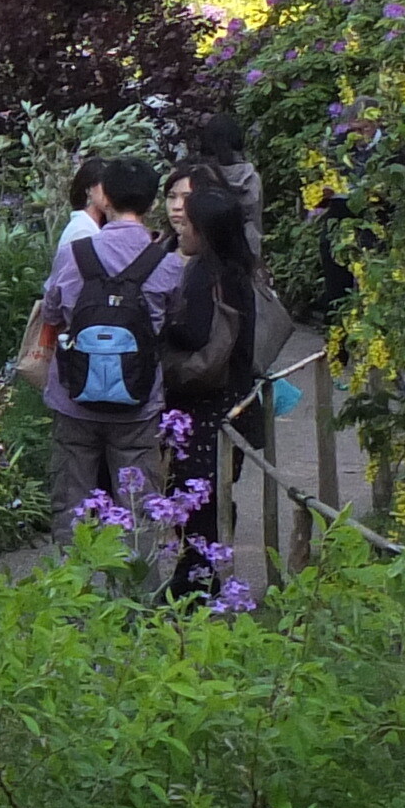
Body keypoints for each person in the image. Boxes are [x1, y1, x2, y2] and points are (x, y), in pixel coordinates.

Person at [37, 155, 174, 533]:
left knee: (71, 504)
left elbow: (52, 312)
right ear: (151, 203)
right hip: (138, 403)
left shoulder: (75, 253)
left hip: (74, 397)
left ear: (104, 197)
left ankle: (71, 587)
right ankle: (137, 589)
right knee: (139, 502)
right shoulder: (165, 262)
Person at [158, 165, 276, 602]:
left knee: (193, 492)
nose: (179, 227)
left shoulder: (209, 272)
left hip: (205, 403)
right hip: (233, 397)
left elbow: (193, 332)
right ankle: (201, 574)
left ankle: (197, 579)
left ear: (204, 230)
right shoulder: (240, 268)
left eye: (188, 223)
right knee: (209, 491)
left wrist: (163, 324)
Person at [189, 108, 267, 250]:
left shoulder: (201, 176)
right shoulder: (251, 176)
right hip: (248, 245)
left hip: (211, 247)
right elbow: (257, 220)